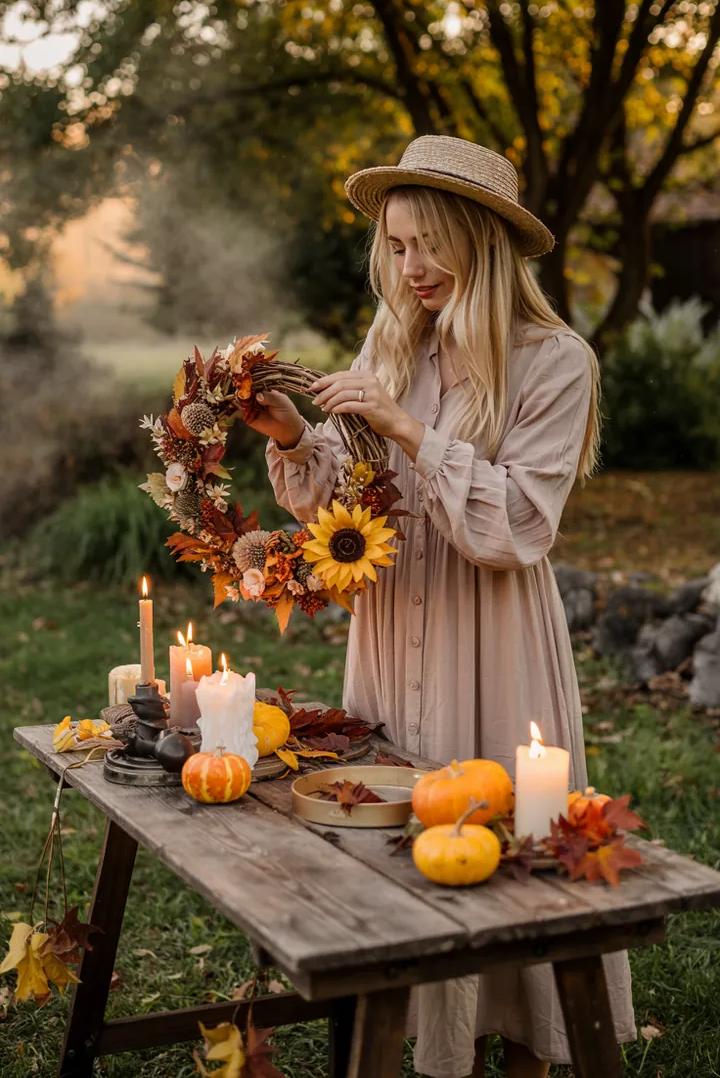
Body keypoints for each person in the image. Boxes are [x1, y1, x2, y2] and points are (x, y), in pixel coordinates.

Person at [245, 135, 635, 1078]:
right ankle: (411, 1033)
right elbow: (349, 500)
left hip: (489, 633)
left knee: (503, 840)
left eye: (429, 242)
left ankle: (531, 1046)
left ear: (481, 239)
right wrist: (296, 437)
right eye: (396, 244)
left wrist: (408, 428)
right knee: (391, 830)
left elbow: (518, 524)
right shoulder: (393, 343)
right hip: (394, 629)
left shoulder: (556, 361)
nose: (410, 266)